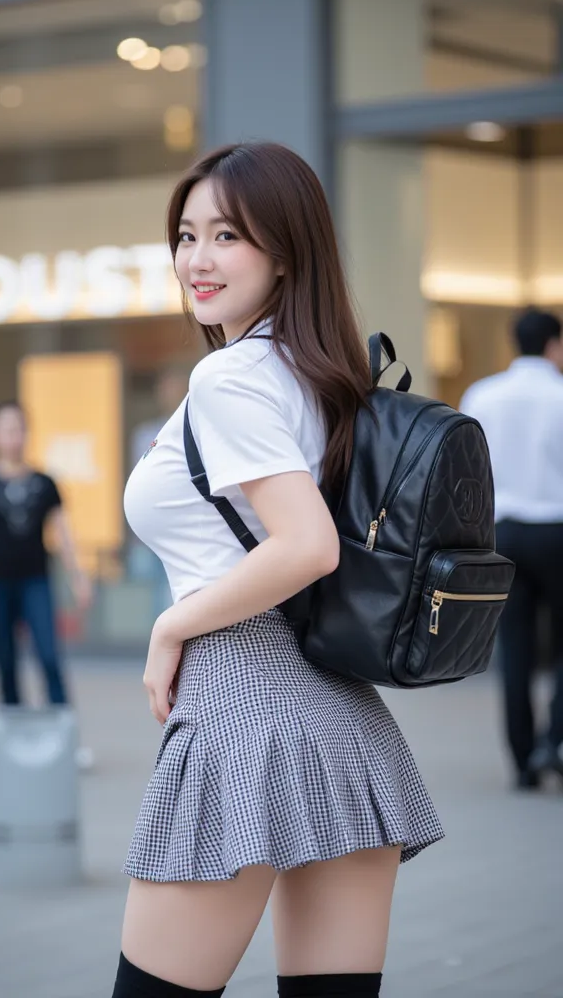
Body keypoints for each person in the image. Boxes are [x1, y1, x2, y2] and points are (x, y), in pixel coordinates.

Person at [116, 143, 443, 998]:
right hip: (342, 718)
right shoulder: (320, 375)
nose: (198, 259)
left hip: (241, 706)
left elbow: (307, 547)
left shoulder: (230, 379)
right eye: (187, 235)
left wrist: (169, 623)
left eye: (228, 235)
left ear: (286, 252)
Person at [0, 401, 94, 768]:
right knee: (7, 661)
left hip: (36, 582)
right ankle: (11, 742)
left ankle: (68, 740)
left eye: (19, 428)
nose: (14, 436)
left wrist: (78, 577)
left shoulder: (45, 484)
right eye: (6, 429)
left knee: (48, 656)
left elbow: (63, 534)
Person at [461, 307, 563, 790]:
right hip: (557, 529)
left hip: (500, 533)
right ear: (554, 345)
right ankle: (554, 741)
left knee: (515, 645)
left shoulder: (482, 395)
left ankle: (522, 759)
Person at [129, 368, 189, 620]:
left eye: (174, 388)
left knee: (180, 589)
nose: (169, 394)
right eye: (165, 389)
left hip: (183, 522)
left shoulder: (194, 428)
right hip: (154, 523)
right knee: (158, 591)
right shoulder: (145, 434)